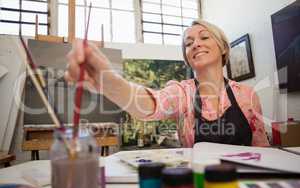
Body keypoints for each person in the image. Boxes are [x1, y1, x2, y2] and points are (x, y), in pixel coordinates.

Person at [65, 20, 270, 147]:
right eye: (188, 43)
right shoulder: (182, 92)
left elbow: (262, 149)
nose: (195, 44)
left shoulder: (247, 95)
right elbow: (150, 104)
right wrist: (110, 82)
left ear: (223, 48)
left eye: (204, 37)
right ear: (187, 57)